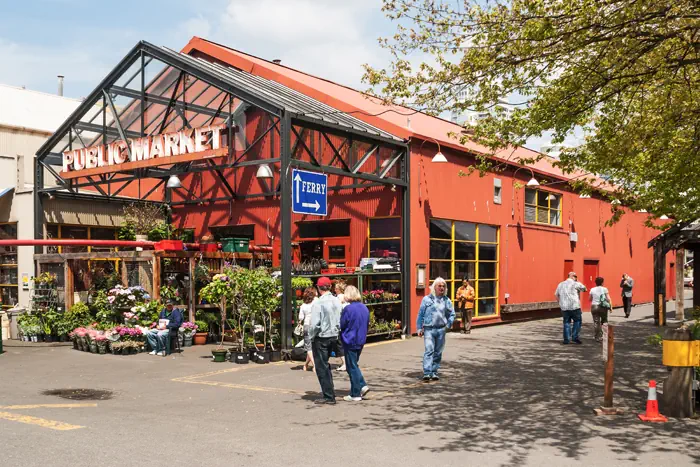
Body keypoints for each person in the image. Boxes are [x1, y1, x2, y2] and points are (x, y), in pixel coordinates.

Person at [309, 276, 342, 405]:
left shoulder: (318, 303)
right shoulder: (336, 301)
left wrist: (311, 336)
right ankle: (330, 392)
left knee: (321, 366)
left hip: (321, 337)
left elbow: (315, 324)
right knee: (326, 364)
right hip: (334, 335)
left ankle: (328, 396)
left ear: (318, 288)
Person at [416, 277, 456, 382]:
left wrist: (448, 324)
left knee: (438, 352)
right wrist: (419, 328)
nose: (442, 288)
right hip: (429, 329)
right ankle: (427, 373)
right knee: (429, 350)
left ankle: (434, 372)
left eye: (443, 286)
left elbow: (452, 314)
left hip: (441, 329)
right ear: (434, 287)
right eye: (440, 286)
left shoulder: (447, 300)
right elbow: (420, 314)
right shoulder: (426, 299)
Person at [339, 285, 370, 401]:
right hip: (360, 339)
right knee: (353, 365)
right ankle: (359, 387)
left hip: (350, 340)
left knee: (351, 367)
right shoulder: (364, 308)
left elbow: (342, 324)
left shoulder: (348, 309)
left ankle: (356, 392)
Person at [555, 272, 587, 345]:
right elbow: (585, 289)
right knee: (577, 321)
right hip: (575, 306)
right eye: (576, 276)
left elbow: (556, 295)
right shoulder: (576, 284)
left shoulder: (560, 284)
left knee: (566, 322)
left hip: (564, 307)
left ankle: (566, 339)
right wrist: (577, 281)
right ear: (573, 277)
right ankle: (575, 337)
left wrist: (560, 303)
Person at [298, 287, 317, 372]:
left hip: (306, 325)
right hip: (315, 325)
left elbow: (300, 317)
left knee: (309, 347)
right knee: (313, 347)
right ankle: (313, 365)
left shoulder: (303, 305)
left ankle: (310, 365)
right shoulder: (316, 302)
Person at [590, 277, 612, 342]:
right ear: (602, 282)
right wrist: (610, 306)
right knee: (604, 321)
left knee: (596, 322)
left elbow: (590, 299)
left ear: (595, 282)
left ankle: (597, 337)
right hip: (603, 307)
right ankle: (604, 336)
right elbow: (608, 298)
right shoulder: (605, 289)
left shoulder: (592, 289)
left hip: (594, 306)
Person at [334, 280, 348, 372]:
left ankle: (344, 363)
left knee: (339, 344)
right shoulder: (347, 297)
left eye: (335, 288)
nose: (334, 289)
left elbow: (336, 310)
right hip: (346, 322)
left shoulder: (339, 297)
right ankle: (347, 362)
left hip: (339, 322)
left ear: (338, 289)